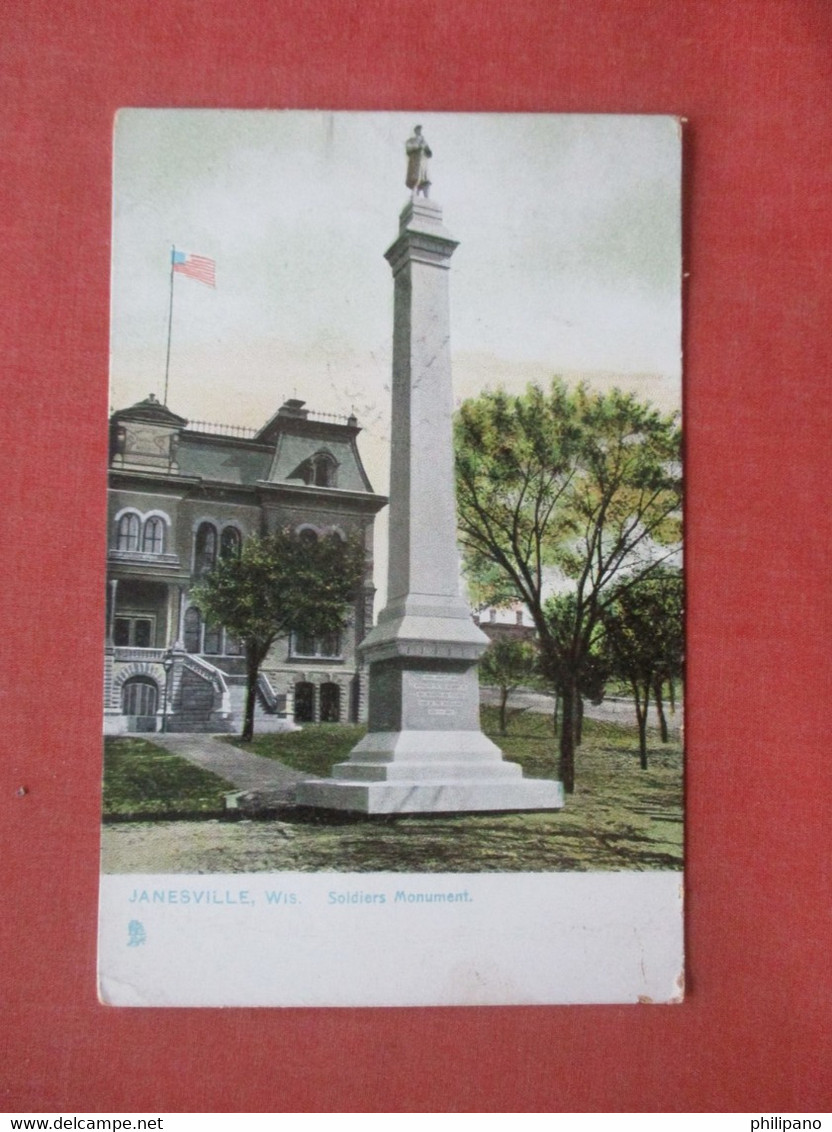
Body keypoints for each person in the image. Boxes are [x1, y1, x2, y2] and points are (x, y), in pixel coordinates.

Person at [405, 125, 432, 197]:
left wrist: (428, 151)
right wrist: (418, 147)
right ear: (415, 131)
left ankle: (426, 196)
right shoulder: (411, 140)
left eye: (420, 129)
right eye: (418, 129)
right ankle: (414, 193)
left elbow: (429, 152)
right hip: (415, 161)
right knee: (416, 177)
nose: (419, 131)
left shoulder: (424, 141)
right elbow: (408, 149)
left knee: (425, 179)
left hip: (423, 162)